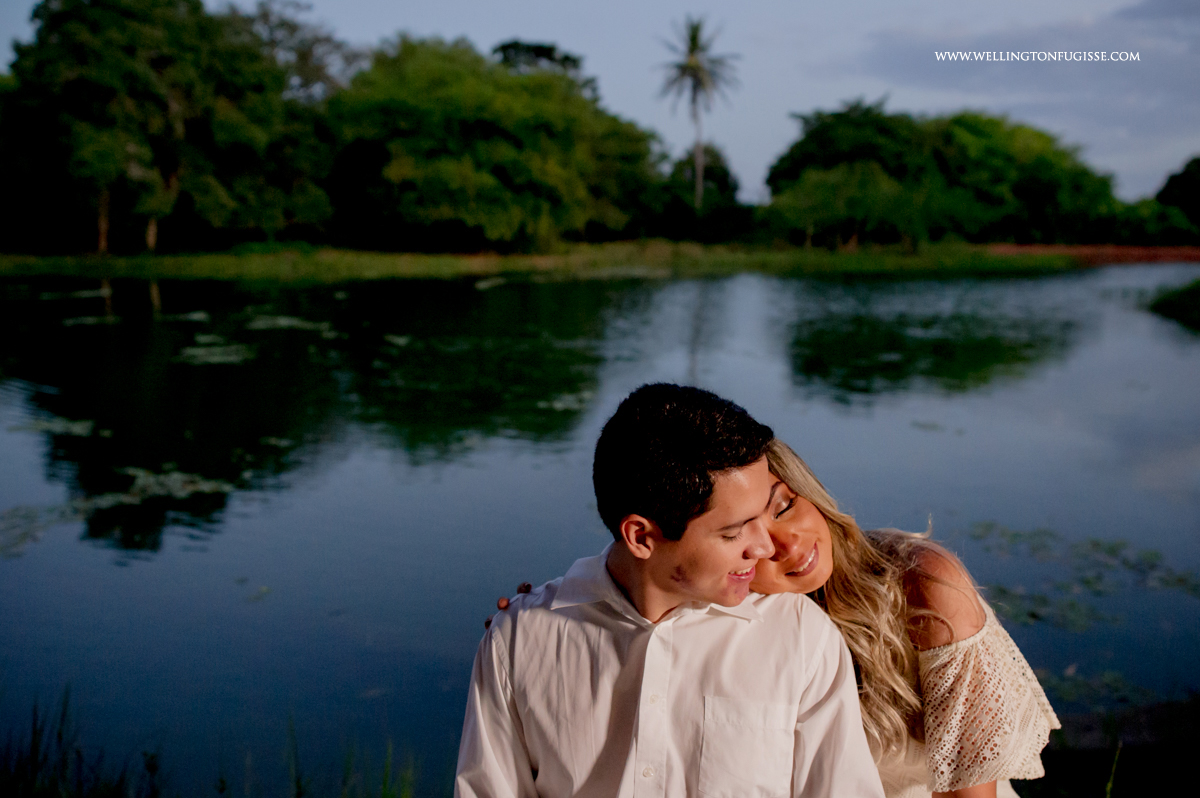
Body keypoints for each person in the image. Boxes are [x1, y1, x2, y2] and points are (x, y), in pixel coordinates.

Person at [455, 384, 885, 798]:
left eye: (766, 512)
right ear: (642, 537)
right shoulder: (519, 641)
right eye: (734, 532)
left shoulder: (801, 639)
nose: (765, 545)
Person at [752, 439, 1060, 798]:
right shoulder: (727, 626)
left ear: (808, 490)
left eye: (785, 506)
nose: (789, 545)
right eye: (751, 535)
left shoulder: (921, 584)